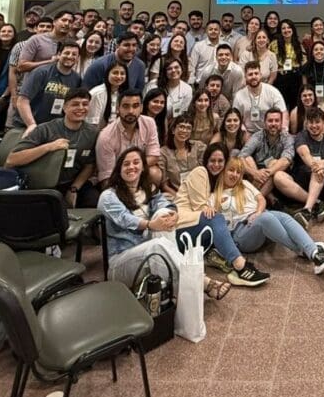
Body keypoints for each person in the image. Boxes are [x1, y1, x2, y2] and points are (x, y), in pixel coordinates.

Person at [102, 146, 232, 298]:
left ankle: (171, 292)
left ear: (143, 168)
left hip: (150, 257)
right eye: (126, 164)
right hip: (121, 262)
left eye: (136, 162)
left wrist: (173, 214)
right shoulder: (108, 196)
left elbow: (165, 204)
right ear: (119, 169)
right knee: (157, 246)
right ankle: (201, 282)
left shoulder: (147, 190)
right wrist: (150, 224)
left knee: (163, 215)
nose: (131, 167)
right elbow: (125, 219)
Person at [212, 156, 324, 276]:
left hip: (258, 218)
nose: (235, 175)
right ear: (223, 171)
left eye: (238, 172)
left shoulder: (244, 184)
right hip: (241, 235)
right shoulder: (214, 196)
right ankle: (303, 249)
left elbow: (261, 199)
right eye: (231, 170)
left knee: (284, 217)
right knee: (267, 218)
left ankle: (314, 253)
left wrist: (258, 212)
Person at [172, 144, 272, 287]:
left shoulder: (216, 181)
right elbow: (201, 208)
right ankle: (240, 267)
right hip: (180, 228)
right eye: (212, 161)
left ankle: (219, 256)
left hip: (196, 232)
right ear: (206, 161)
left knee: (218, 220)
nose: (216, 165)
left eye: (220, 161)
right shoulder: (200, 171)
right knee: (216, 217)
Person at [7, 88, 100, 208]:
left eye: (85, 104)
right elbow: (12, 159)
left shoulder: (92, 133)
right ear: (64, 107)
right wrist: (49, 147)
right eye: (75, 104)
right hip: (43, 184)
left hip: (72, 183)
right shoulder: (45, 129)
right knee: (55, 208)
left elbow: (89, 165)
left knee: (94, 201)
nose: (81, 108)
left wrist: (74, 189)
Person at [277, 107, 324, 226]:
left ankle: (307, 210)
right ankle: (318, 203)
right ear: (306, 123)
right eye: (311, 122)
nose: (314, 126)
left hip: (323, 181)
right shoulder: (301, 136)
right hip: (302, 180)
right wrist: (316, 166)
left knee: (322, 171)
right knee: (278, 176)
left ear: (323, 123)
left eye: (317, 122)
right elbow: (304, 154)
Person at [95, 89, 163, 188]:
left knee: (155, 173)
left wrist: (134, 169)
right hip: (117, 177)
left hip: (140, 171)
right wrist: (128, 171)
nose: (131, 111)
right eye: (126, 106)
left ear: (141, 108)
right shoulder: (106, 136)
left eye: (135, 106)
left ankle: (147, 195)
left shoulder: (149, 123)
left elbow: (154, 156)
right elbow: (107, 176)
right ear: (118, 108)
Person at [13, 41, 81, 131]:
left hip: (52, 128)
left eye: (74, 54)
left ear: (78, 58)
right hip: (26, 125)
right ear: (59, 55)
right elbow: (22, 101)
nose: (70, 56)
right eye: (67, 53)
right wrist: (31, 125)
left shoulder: (77, 79)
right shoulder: (41, 72)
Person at [240, 109, 294, 200]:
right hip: (257, 174)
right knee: (247, 158)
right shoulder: (257, 136)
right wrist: (255, 173)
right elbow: (241, 156)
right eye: (270, 121)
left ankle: (254, 199)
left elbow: (286, 160)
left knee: (274, 163)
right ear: (265, 123)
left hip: (278, 176)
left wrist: (268, 173)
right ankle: (268, 198)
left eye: (277, 121)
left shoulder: (287, 137)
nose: (273, 124)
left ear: (281, 123)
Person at [234, 61, 288, 134]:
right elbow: (235, 118)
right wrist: (244, 132)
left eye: (256, 73)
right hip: (248, 133)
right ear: (245, 77)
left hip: (270, 132)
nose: (253, 77)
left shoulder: (273, 92)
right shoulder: (239, 95)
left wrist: (283, 130)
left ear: (260, 75)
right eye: (250, 74)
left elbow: (283, 112)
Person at [159, 114, 206, 196]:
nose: (184, 131)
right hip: (175, 194)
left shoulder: (198, 147)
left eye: (188, 128)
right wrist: (179, 197)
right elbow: (164, 185)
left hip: (198, 191)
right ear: (173, 130)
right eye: (181, 127)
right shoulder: (163, 153)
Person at [82, 34, 147, 91]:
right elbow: (85, 91)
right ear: (117, 46)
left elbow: (138, 91)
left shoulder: (140, 65)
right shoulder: (99, 65)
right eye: (126, 45)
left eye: (134, 45)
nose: (131, 49)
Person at [271, 19, 304, 110]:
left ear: (293, 29)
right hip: (281, 78)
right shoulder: (274, 44)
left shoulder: (298, 43)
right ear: (280, 31)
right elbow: (269, 60)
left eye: (289, 27)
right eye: (283, 28)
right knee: (281, 106)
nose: (286, 30)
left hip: (295, 78)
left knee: (295, 106)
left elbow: (304, 60)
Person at [85, 62, 127, 129]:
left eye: (122, 73)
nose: (119, 76)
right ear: (107, 74)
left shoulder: (123, 93)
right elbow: (91, 125)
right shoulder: (98, 94)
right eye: (115, 73)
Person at [300, 41, 324, 111]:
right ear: (312, 53)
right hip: (311, 101)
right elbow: (305, 90)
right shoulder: (306, 67)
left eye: (321, 49)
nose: (319, 51)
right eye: (316, 50)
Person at [188, 20, 223, 85]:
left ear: (220, 31)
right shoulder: (198, 46)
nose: (213, 31)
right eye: (210, 29)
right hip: (201, 83)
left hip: (220, 83)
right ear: (206, 31)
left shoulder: (225, 45)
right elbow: (192, 66)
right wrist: (191, 82)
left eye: (216, 29)